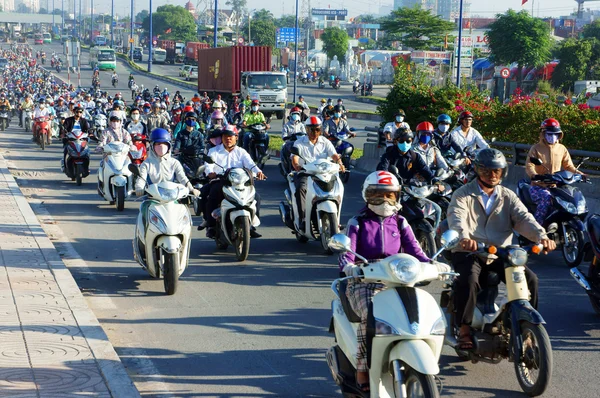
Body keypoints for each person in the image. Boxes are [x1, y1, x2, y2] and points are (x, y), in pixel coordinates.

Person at [340, 171, 445, 392]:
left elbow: (417, 252)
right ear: (366, 196)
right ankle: (362, 368)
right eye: (377, 195)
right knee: (371, 314)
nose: (384, 201)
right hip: (363, 280)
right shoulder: (357, 222)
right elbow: (346, 254)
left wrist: (435, 265)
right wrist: (350, 267)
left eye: (390, 196)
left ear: (397, 196)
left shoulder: (401, 222)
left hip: (397, 280)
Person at [447, 148, 556, 350]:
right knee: (469, 280)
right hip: (471, 251)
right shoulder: (463, 194)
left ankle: (527, 326)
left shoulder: (508, 196)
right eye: (487, 171)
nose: (493, 175)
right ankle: (464, 329)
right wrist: (464, 237)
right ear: (478, 171)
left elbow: (524, 218)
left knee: (531, 279)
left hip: (501, 252)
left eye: (497, 171)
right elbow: (457, 217)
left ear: (503, 172)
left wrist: (542, 236)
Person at [203, 127, 266, 239]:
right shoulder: (214, 151)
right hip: (220, 182)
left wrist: (259, 172)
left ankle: (250, 225)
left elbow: (251, 165)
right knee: (212, 195)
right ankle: (211, 226)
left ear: (236, 138)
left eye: (231, 136)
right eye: (225, 136)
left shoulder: (241, 152)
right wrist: (210, 172)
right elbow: (208, 166)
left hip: (239, 184)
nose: (228, 139)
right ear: (222, 138)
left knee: (256, 197)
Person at [376, 128, 444, 229]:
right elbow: (382, 171)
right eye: (402, 141)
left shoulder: (414, 156)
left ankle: (432, 236)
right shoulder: (388, 156)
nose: (405, 143)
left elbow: (424, 169)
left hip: (411, 190)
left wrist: (436, 181)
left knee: (437, 209)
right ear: (395, 141)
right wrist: (387, 184)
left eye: (408, 141)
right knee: (388, 217)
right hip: (393, 191)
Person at [525, 118, 585, 225]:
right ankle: (536, 228)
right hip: (539, 186)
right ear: (543, 133)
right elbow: (530, 165)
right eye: (549, 134)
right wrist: (534, 175)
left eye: (555, 134)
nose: (552, 136)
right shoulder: (536, 149)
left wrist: (580, 174)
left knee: (571, 199)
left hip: (556, 186)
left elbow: (569, 166)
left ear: (559, 135)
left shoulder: (562, 148)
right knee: (546, 199)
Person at [291, 116, 345, 229]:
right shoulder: (299, 142)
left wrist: (340, 163)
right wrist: (297, 166)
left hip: (324, 174)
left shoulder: (325, 142)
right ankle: (303, 219)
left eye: (317, 129)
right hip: (307, 173)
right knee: (301, 189)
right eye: (312, 129)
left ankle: (336, 219)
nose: (315, 132)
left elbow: (334, 155)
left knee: (337, 188)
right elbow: (294, 157)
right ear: (306, 129)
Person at [134, 129, 200, 216]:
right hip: (152, 198)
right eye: (158, 144)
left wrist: (191, 189)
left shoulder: (174, 162)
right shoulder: (146, 163)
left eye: (164, 144)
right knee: (143, 212)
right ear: (152, 146)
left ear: (169, 146)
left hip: (171, 198)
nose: (161, 146)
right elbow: (141, 178)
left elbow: (182, 178)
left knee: (183, 215)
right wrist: (139, 188)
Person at [61, 104, 91, 171]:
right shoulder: (68, 120)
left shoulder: (84, 121)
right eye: (77, 112)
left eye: (80, 112)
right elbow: (63, 128)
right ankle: (64, 165)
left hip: (81, 139)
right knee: (66, 150)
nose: (78, 113)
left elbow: (88, 129)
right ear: (74, 112)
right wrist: (63, 134)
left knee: (87, 150)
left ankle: (87, 167)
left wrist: (90, 133)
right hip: (70, 139)